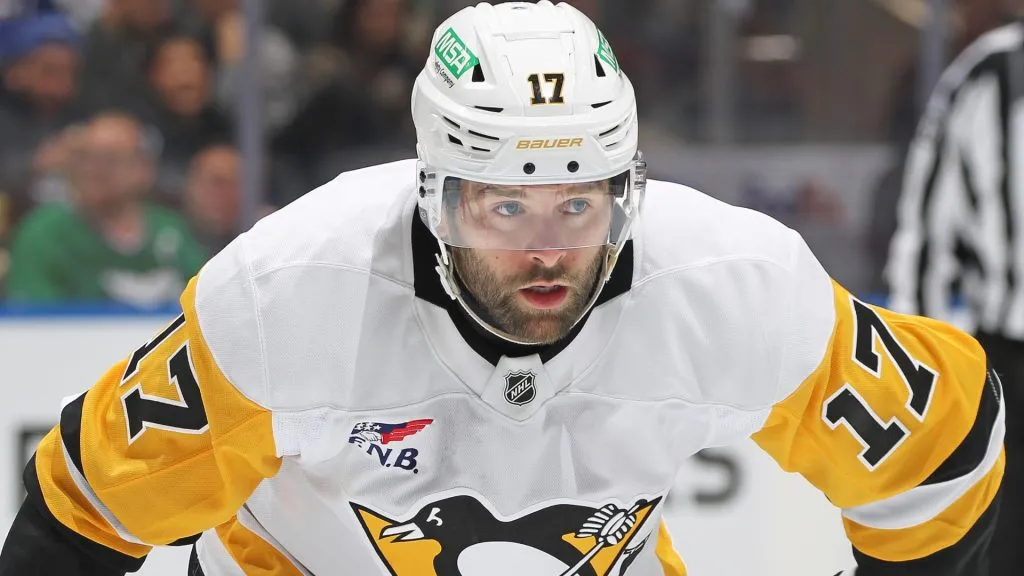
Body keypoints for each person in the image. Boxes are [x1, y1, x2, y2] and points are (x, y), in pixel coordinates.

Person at [0, 3, 1003, 575]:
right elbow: (85, 507)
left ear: (629, 188)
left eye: (581, 204)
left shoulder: (732, 282)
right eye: (504, 208)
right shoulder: (290, 292)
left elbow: (942, 455)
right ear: (435, 196)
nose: (547, 250)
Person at [885, 1, 1024, 572]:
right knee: (1002, 538)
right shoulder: (992, 72)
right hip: (1012, 357)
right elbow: (927, 231)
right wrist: (916, 368)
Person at [4, 110, 208, 305]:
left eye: (110, 158)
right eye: (84, 156)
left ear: (144, 167)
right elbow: (36, 318)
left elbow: (204, 298)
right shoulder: (45, 232)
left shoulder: (171, 230)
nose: (93, 169)